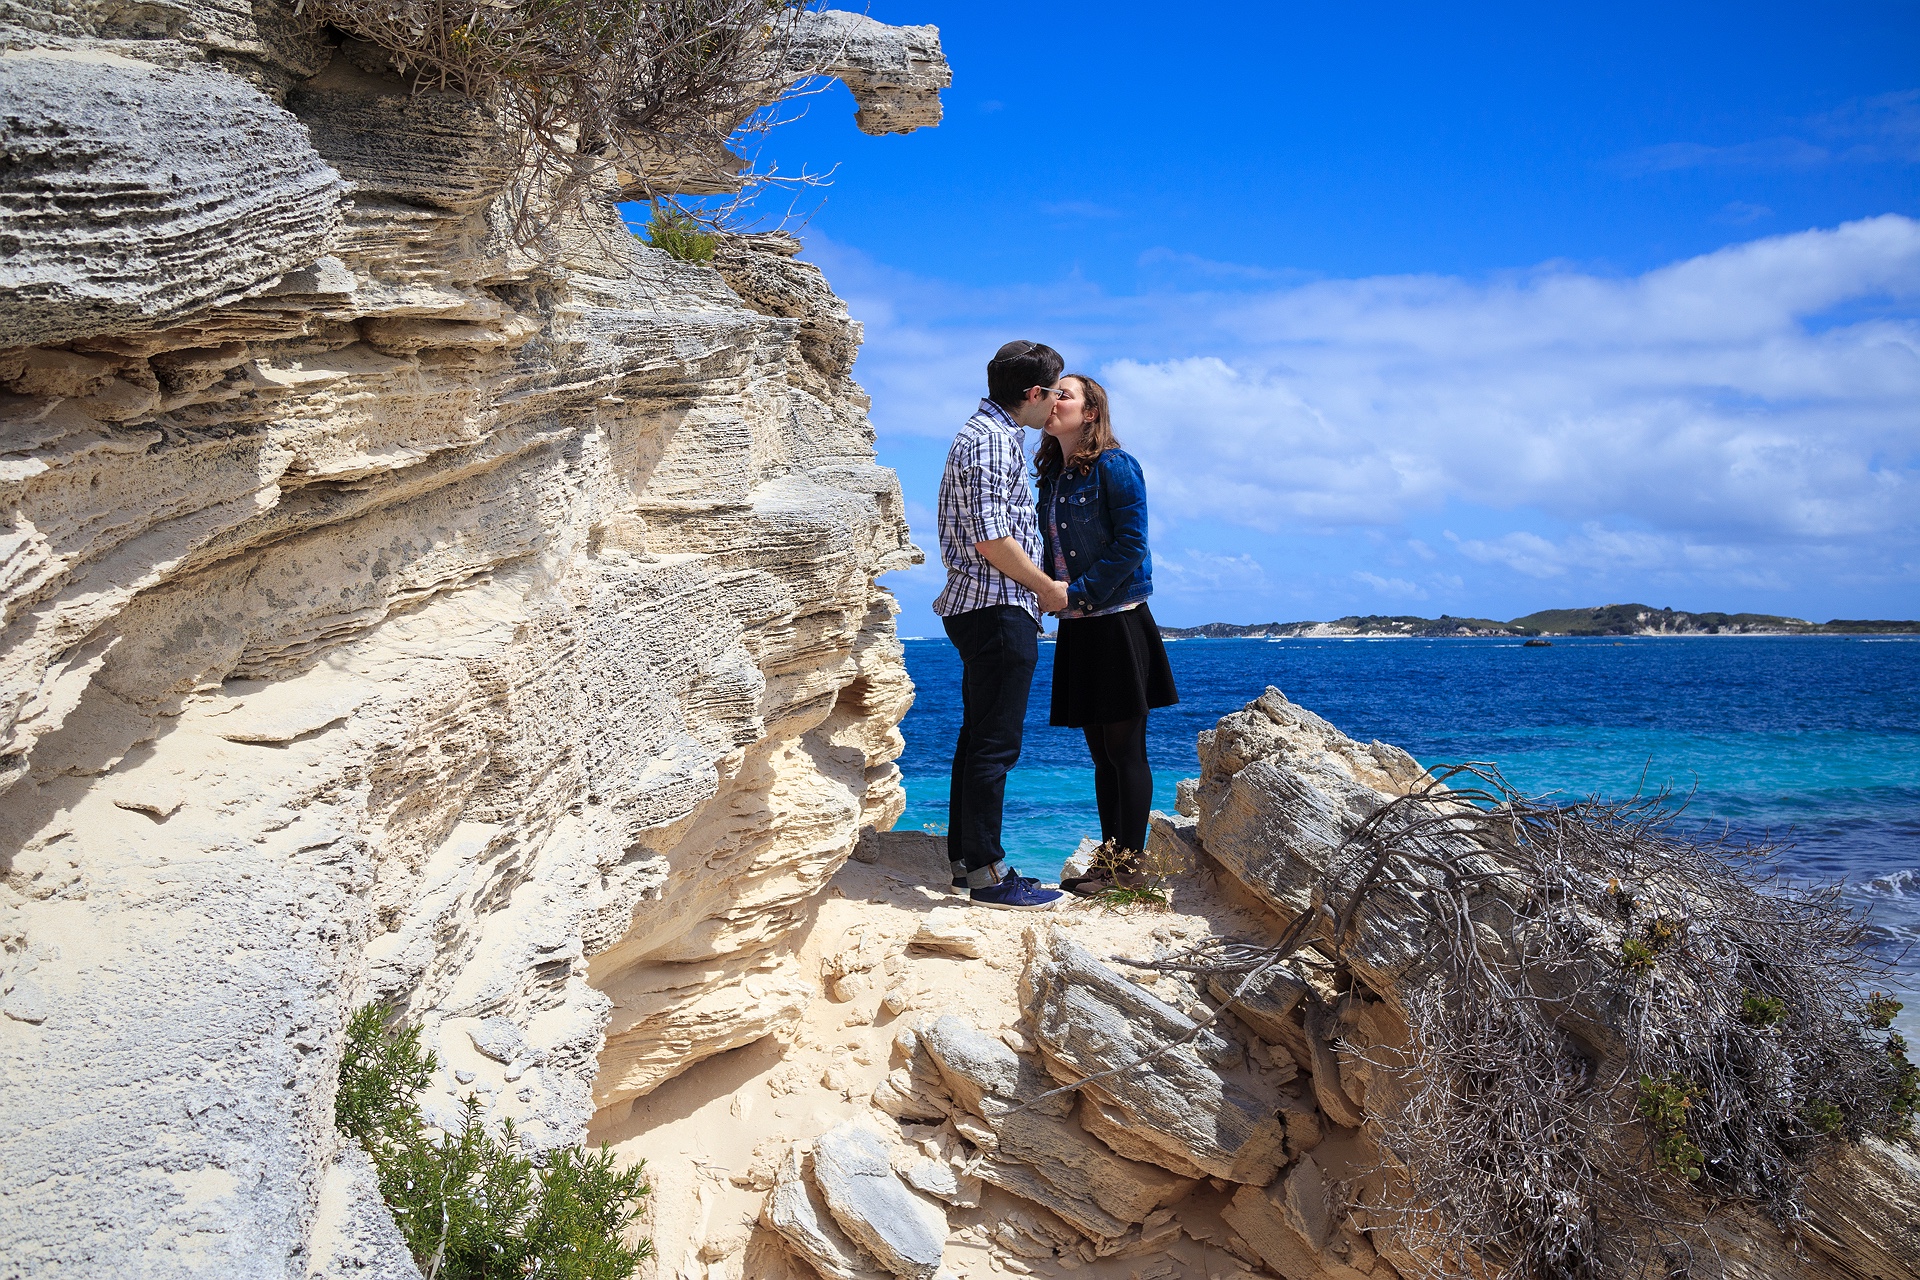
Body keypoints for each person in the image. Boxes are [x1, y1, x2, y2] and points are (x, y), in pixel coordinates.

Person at [933, 341, 1071, 910]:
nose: (1059, 402)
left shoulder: (983, 435)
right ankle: (989, 874)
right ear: (1033, 394)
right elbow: (992, 538)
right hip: (996, 605)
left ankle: (970, 861)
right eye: (1055, 392)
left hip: (982, 607)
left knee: (977, 737)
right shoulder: (989, 442)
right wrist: (1048, 590)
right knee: (996, 744)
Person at [1033, 374, 1178, 895]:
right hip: (1079, 626)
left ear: (1090, 412)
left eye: (1064, 395)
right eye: (1050, 393)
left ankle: (1129, 870)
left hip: (1115, 620)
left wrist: (1076, 593)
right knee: (1101, 755)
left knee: (1125, 751)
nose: (1052, 401)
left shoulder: (1115, 466)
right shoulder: (1054, 477)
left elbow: (1131, 545)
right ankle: (1109, 865)